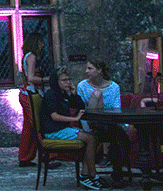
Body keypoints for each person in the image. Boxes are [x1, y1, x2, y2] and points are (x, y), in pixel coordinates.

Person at [39, 67, 101, 190]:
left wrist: (73, 93)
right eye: (64, 80)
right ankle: (92, 175)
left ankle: (85, 173)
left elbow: (80, 105)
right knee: (91, 138)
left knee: (94, 137)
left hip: (61, 129)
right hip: (53, 131)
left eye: (69, 79)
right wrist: (75, 119)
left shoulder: (62, 95)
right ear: (56, 81)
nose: (68, 82)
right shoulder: (51, 94)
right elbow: (54, 116)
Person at [77, 59, 129, 185]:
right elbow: (80, 108)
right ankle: (92, 173)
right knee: (96, 94)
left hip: (109, 122)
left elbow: (117, 109)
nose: (86, 71)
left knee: (121, 139)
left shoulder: (114, 87)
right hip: (89, 123)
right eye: (87, 68)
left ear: (99, 70)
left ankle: (116, 172)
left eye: (90, 68)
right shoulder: (82, 86)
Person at [17, 31, 46, 165]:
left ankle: (25, 157)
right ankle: (47, 155)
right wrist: (47, 79)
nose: (43, 45)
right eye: (40, 42)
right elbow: (31, 78)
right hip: (30, 95)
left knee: (28, 128)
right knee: (37, 125)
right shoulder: (31, 57)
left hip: (26, 94)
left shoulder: (27, 56)